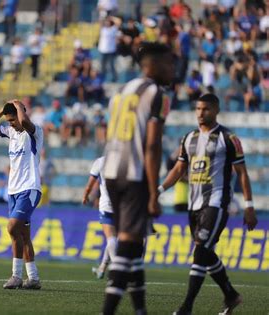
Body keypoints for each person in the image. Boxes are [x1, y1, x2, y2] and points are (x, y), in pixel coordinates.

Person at [159, 93, 258, 315]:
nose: (201, 113)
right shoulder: (188, 138)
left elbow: (242, 173)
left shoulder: (228, 138)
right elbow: (178, 169)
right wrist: (159, 190)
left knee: (200, 250)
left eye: (205, 109)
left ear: (216, 110)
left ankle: (186, 307)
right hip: (194, 205)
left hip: (216, 202)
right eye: (198, 109)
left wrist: (249, 206)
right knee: (205, 252)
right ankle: (231, 295)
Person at [102, 42, 175, 314]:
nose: (173, 69)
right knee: (128, 247)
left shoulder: (120, 91)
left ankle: (140, 310)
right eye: (169, 63)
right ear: (152, 65)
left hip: (111, 173)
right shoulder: (158, 94)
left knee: (132, 248)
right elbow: (152, 145)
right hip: (134, 176)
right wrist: (154, 193)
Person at [0, 99, 44, 290]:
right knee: (22, 235)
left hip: (30, 189)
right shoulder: (10, 132)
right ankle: (32, 278)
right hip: (13, 191)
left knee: (11, 227)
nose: (11, 124)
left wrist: (19, 107)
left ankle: (16, 276)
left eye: (13, 120)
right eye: (9, 121)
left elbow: (24, 122)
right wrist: (2, 111)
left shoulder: (34, 132)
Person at [82, 156, 116, 279]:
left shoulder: (100, 161)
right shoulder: (125, 160)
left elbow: (90, 184)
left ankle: (117, 269)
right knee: (114, 239)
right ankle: (102, 268)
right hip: (121, 205)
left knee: (111, 238)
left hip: (106, 204)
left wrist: (85, 195)